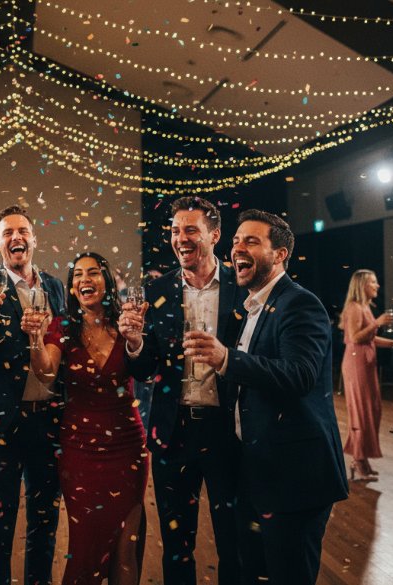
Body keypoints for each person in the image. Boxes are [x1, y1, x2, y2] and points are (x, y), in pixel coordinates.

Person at [186, 209, 348, 585]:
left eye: (251, 241)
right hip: (256, 471)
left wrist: (226, 358)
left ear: (279, 256)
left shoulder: (300, 304)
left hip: (295, 477)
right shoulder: (250, 311)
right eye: (236, 241)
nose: (237, 249)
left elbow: (300, 375)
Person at [118, 196, 245, 585]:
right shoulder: (159, 289)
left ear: (215, 235)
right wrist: (136, 343)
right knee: (177, 544)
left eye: (191, 230)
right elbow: (145, 366)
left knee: (234, 541)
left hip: (230, 433)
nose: (180, 238)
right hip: (174, 433)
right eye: (175, 230)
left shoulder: (242, 287)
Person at [24, 252, 149, 585]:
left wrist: (136, 337)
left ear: (106, 281)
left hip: (127, 446)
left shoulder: (126, 321)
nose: (84, 280)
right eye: (78, 275)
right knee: (85, 546)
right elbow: (47, 373)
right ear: (72, 286)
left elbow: (148, 368)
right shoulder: (62, 325)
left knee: (126, 546)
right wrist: (35, 339)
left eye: (93, 273)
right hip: (80, 448)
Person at [0, 204, 66, 585]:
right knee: (0, 524)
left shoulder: (54, 286)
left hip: (49, 419)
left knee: (44, 520)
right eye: (7, 233)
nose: (15, 237)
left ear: (34, 239)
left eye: (22, 231)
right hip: (2, 423)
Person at [340, 269, 393, 481]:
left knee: (372, 409)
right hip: (356, 362)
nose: (377, 286)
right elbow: (355, 337)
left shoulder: (365, 307)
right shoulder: (355, 307)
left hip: (365, 360)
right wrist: (378, 323)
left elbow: (369, 339)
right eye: (373, 282)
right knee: (361, 410)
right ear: (362, 285)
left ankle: (362, 457)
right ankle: (358, 460)